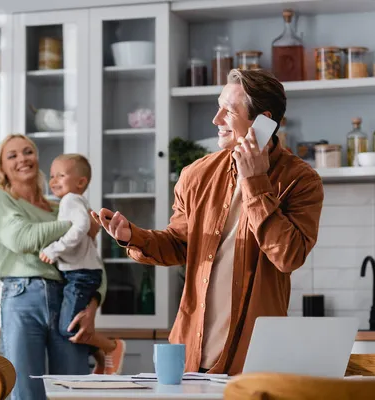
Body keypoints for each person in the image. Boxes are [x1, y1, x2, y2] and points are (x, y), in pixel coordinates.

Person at [93, 68, 324, 375]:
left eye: (228, 111)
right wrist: (133, 237)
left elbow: (288, 256)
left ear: (263, 120)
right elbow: (179, 245)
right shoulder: (196, 175)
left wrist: (255, 182)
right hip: (189, 352)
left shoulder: (301, 181)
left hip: (254, 357)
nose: (216, 120)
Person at [0, 134, 106, 400]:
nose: (22, 159)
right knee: (27, 392)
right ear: (1, 167)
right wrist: (78, 223)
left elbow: (91, 261)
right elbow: (22, 239)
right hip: (23, 298)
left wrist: (92, 306)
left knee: (73, 390)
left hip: (68, 297)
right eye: (12, 155)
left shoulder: (59, 207)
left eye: (28, 152)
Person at [39, 153, 126, 375]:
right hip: (78, 273)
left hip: (82, 274)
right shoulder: (72, 201)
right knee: (69, 327)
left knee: (68, 328)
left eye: (61, 175)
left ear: (80, 182)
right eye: (52, 176)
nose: (54, 180)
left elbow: (80, 227)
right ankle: (101, 356)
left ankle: (110, 347)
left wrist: (54, 250)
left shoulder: (71, 200)